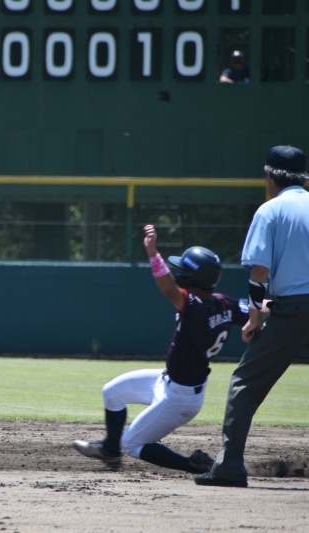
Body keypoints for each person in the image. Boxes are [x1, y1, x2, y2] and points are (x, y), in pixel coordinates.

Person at [73, 225, 249, 474]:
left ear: (190, 277)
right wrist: (283, 308)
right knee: (112, 392)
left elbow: (167, 287)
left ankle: (195, 466)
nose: (177, 273)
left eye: (182, 270)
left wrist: (153, 253)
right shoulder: (224, 303)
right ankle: (110, 451)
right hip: (169, 382)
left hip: (180, 398)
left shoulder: (195, 308)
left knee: (132, 443)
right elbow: (260, 306)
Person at [195, 145, 309, 488]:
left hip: (293, 310)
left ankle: (230, 466)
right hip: (292, 305)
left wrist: (255, 316)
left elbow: (260, 273)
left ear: (270, 177)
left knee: (243, 386)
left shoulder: (270, 211)